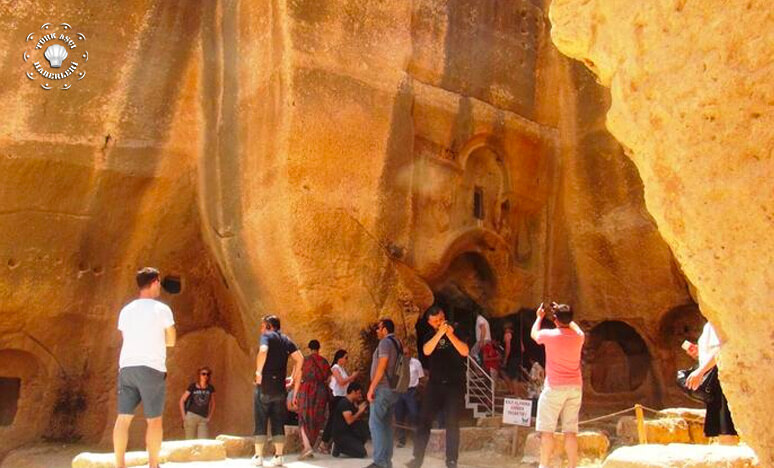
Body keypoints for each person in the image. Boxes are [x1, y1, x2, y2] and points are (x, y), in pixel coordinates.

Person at [113, 267, 176, 468]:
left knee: (123, 418)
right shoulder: (162, 309)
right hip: (151, 367)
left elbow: (125, 337)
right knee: (154, 420)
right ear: (156, 282)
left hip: (127, 367)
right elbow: (172, 340)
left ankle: (120, 464)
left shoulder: (126, 310)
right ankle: (153, 464)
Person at [407, 306, 469, 468]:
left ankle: (451, 460)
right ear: (429, 323)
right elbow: (427, 351)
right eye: (435, 321)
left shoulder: (457, 331)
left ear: (444, 317)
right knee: (424, 421)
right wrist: (440, 334)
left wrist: (450, 335)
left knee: (452, 423)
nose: (439, 323)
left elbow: (465, 351)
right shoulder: (429, 336)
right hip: (434, 385)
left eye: (441, 319)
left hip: (454, 386)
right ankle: (417, 459)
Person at [530, 302, 584, 468]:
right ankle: (572, 465)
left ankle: (545, 465)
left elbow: (534, 334)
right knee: (570, 432)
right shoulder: (579, 337)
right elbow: (574, 326)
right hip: (575, 387)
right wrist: (564, 317)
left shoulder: (550, 335)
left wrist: (539, 317)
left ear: (555, 320)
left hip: (554, 387)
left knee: (547, 432)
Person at [253, 315, 304, 467]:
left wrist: (259, 373)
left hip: (264, 386)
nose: (261, 330)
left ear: (269, 326)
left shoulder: (266, 337)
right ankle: (279, 456)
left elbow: (263, 351)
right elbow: (300, 359)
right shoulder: (286, 340)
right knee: (278, 421)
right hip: (280, 389)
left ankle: (259, 456)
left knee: (260, 420)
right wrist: (293, 377)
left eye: (263, 326)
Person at [685, 321, 738, 444]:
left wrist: (700, 371)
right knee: (722, 429)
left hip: (718, 378)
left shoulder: (716, 322)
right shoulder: (710, 324)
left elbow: (721, 350)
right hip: (715, 379)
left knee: (725, 429)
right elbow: (713, 352)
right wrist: (699, 353)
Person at [365, 318, 402, 468]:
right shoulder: (397, 342)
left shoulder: (385, 343)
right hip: (393, 389)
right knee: (386, 425)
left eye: (379, 328)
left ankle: (380, 462)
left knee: (375, 424)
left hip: (383, 388)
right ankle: (387, 461)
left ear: (385, 329)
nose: (377, 331)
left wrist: (372, 387)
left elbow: (382, 365)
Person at [297, 340, 332, 459]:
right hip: (321, 391)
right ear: (319, 348)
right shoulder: (324, 361)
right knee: (317, 419)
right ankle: (310, 446)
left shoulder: (305, 360)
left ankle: (307, 447)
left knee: (303, 417)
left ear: (309, 348)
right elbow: (329, 379)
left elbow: (299, 375)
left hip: (306, 390)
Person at [321, 349, 359, 449]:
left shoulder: (342, 369)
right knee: (333, 420)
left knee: (339, 421)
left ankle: (334, 444)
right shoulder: (335, 368)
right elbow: (341, 382)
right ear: (340, 358)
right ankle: (324, 443)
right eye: (346, 358)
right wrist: (352, 376)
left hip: (342, 397)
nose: (347, 360)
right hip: (336, 397)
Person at [331, 382, 370, 458]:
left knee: (364, 429)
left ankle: (352, 446)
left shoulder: (352, 402)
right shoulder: (344, 403)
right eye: (358, 393)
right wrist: (359, 411)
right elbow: (350, 420)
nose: (360, 395)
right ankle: (338, 447)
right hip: (342, 435)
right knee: (361, 453)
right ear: (352, 392)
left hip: (350, 433)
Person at [395, 347, 425, 447]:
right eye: (403, 354)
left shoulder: (416, 363)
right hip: (400, 391)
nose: (405, 356)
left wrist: (417, 391)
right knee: (399, 415)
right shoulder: (398, 364)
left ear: (410, 354)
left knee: (414, 414)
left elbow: (421, 378)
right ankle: (401, 440)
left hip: (411, 391)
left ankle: (416, 438)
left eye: (407, 354)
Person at [179, 367, 216, 439]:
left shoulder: (210, 388)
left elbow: (213, 403)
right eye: (203, 374)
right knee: (189, 441)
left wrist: (209, 417)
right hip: (191, 416)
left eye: (207, 374)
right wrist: (184, 417)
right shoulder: (193, 386)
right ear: (199, 375)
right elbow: (182, 400)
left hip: (203, 418)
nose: (205, 376)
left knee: (203, 442)